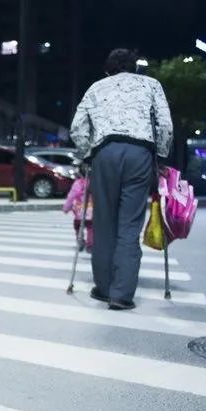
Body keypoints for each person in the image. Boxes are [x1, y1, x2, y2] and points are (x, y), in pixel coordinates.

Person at [70, 48, 173, 310]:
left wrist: (87, 155)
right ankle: (121, 294)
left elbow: (77, 127)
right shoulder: (151, 84)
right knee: (129, 224)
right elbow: (165, 125)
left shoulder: (96, 87)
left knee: (104, 222)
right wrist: (159, 155)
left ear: (108, 70)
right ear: (135, 67)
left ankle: (103, 288)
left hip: (104, 153)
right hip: (139, 153)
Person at [63, 167, 93, 252]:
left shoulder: (78, 183)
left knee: (78, 227)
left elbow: (71, 197)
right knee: (91, 228)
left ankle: (80, 242)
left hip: (79, 212)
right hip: (92, 211)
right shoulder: (94, 183)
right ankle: (90, 244)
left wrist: (66, 208)